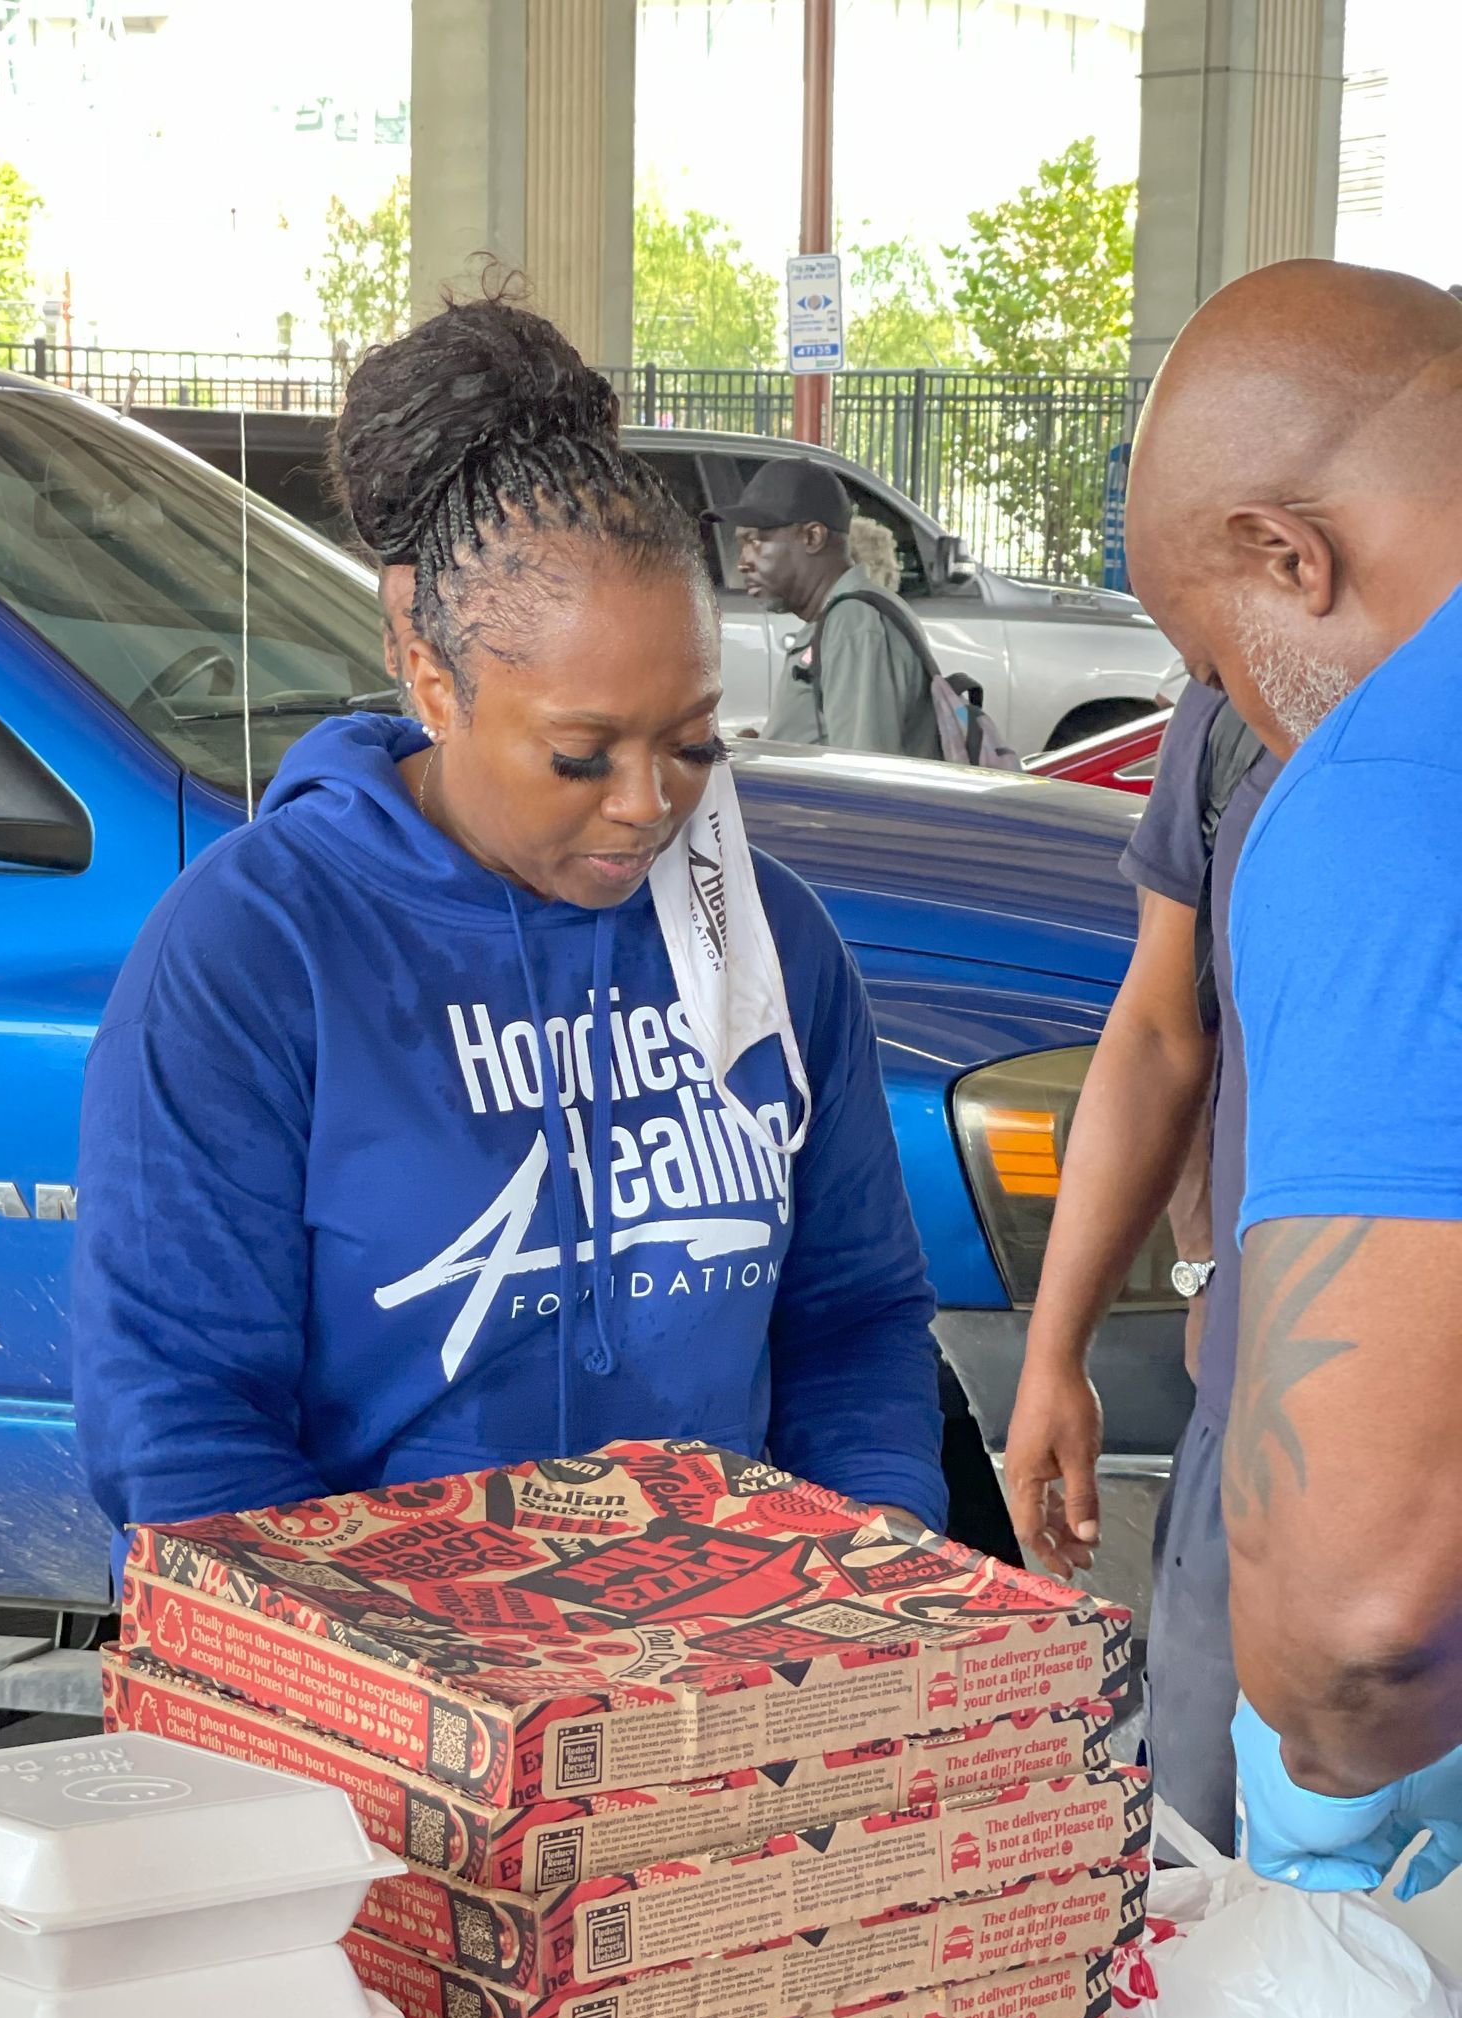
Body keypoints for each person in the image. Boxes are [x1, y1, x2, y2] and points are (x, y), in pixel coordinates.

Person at [74, 298, 947, 1545]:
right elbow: (178, 1412)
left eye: (693, 742)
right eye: (582, 756)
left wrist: (863, 1577)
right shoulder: (255, 951)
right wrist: (404, 1693)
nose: (650, 806)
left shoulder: (770, 942)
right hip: (358, 1693)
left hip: (716, 1673)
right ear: (435, 682)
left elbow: (852, 1315)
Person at [1124, 257, 1462, 1889]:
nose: (1233, 712)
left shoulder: (1386, 788)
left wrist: (1330, 1782)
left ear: (1284, 557)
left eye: (1216, 657)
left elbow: (1360, 1626)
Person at [1004, 681, 1276, 1845]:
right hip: (1255, 1431)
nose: (1197, 660)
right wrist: (1055, 1349)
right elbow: (1166, 1029)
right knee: (1211, 1890)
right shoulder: (1229, 724)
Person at [715, 457, 940, 759]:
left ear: (812, 537)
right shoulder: (838, 618)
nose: (742, 562)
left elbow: (863, 775)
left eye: (754, 541)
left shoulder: (855, 623)